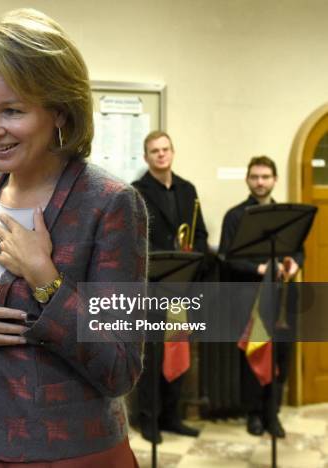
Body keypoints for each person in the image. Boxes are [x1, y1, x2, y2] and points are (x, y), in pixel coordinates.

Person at [0, 9, 147, 467]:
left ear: (59, 110)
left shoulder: (109, 204)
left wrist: (45, 278)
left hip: (61, 448)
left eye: (12, 111)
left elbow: (121, 366)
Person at [132, 130, 207, 443]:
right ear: (146, 157)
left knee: (178, 349)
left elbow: (200, 234)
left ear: (172, 153)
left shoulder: (188, 189)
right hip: (153, 285)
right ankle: (148, 419)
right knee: (151, 355)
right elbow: (134, 240)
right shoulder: (136, 191)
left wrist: (191, 263)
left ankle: (172, 416)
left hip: (182, 286)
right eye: (154, 151)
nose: (161, 155)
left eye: (165, 149)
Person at [218, 155, 301, 438]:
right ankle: (253, 415)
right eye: (255, 177)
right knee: (253, 356)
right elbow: (228, 258)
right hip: (250, 297)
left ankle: (272, 414)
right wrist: (261, 268)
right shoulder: (236, 215)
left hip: (282, 298)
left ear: (275, 179)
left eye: (265, 176)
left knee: (282, 357)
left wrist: (295, 264)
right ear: (247, 180)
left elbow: (298, 249)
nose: (260, 182)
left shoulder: (287, 213)